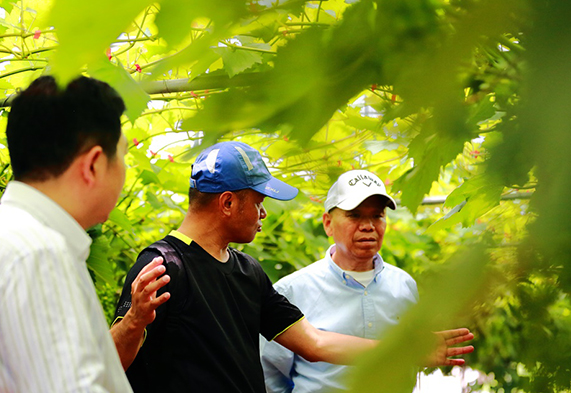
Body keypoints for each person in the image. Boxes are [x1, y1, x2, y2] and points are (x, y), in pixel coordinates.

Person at [111, 142, 473, 393]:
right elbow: (110, 362)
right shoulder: (164, 265)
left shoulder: (247, 272)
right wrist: (134, 322)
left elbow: (315, 343)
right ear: (227, 203)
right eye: (258, 202)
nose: (264, 213)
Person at [260, 169, 473, 393]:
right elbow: (270, 377)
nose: (368, 226)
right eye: (355, 215)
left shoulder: (404, 286)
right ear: (328, 223)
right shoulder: (292, 290)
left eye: (377, 215)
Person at [0, 75, 133, 392]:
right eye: (124, 155)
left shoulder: (17, 237)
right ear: (93, 166)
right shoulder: (39, 254)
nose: (125, 169)